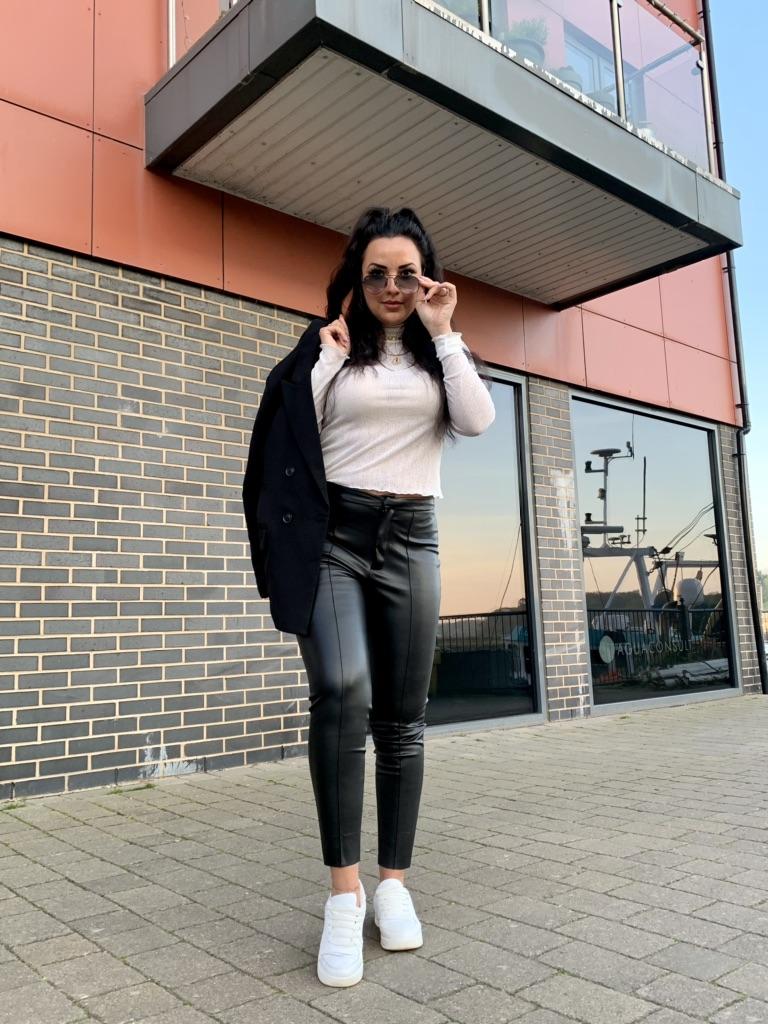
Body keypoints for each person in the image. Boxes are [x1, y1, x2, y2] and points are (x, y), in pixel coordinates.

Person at [249, 207, 495, 987]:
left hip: (413, 538)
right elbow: (291, 431)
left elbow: (477, 420)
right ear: (356, 281)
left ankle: (393, 885)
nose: (392, 286)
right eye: (376, 273)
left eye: (406, 274)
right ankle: (343, 895)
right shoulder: (327, 347)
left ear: (426, 280)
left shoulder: (440, 355)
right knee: (342, 689)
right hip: (336, 538)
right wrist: (325, 359)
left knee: (403, 717)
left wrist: (445, 331)